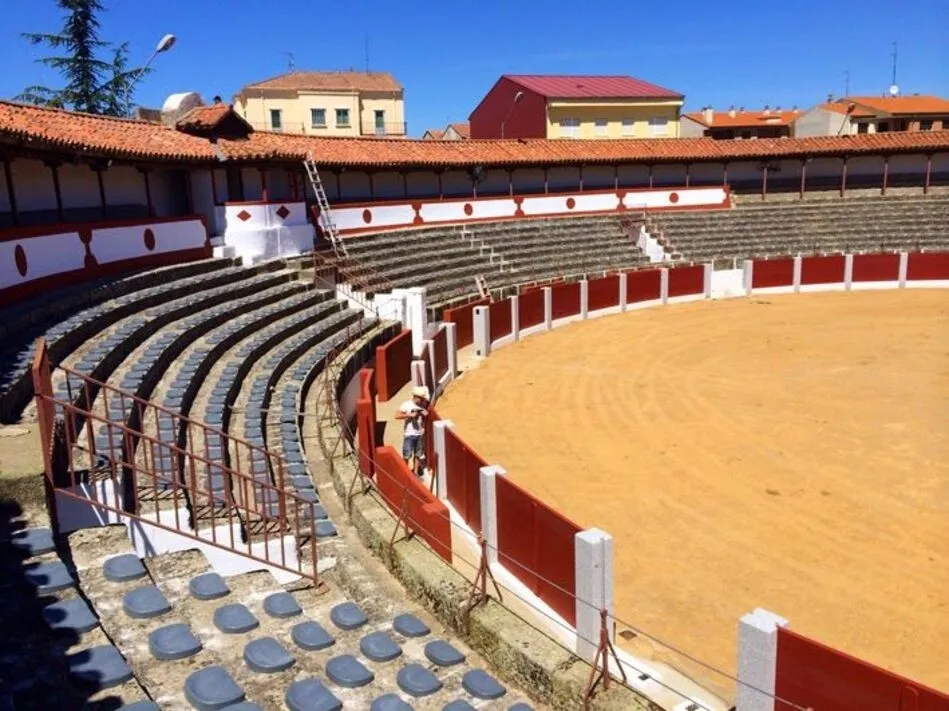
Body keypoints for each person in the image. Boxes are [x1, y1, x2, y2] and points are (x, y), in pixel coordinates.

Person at [396, 385, 430, 476]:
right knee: (406, 455)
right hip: (409, 434)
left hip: (419, 433)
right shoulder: (406, 404)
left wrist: (424, 414)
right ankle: (405, 473)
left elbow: (426, 414)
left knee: (418, 454)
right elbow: (397, 415)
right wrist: (409, 415)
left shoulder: (422, 405)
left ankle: (415, 474)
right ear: (416, 397)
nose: (423, 400)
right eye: (421, 398)